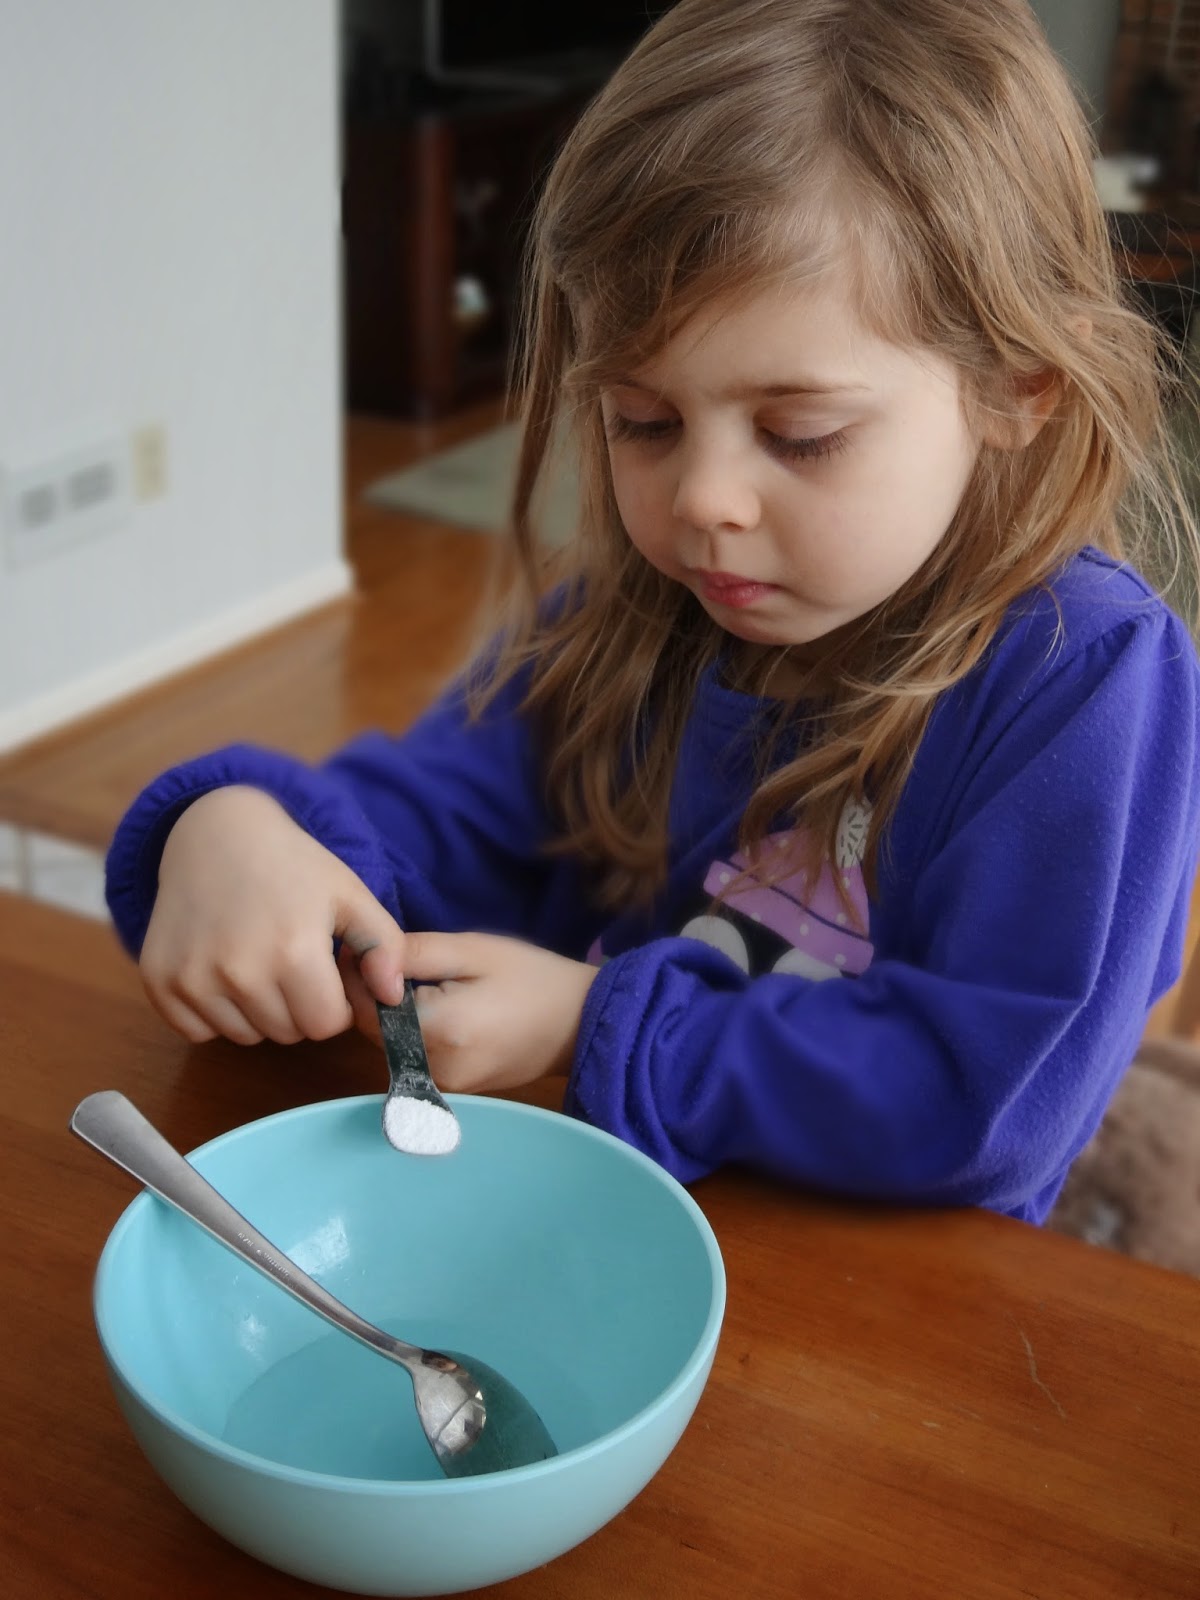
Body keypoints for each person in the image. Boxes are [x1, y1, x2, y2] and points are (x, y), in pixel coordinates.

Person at [107, 0, 1200, 1224]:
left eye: (800, 433)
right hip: (578, 1222)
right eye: (643, 421)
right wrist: (240, 829)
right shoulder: (627, 620)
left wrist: (595, 1021)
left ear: (1017, 388)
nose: (702, 501)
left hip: (876, 1290)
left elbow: (987, 1098)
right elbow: (421, 824)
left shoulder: (1090, 677)